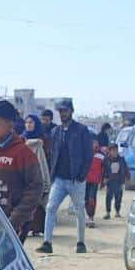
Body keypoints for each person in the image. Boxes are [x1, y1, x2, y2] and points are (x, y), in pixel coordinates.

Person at [0, 100, 44, 241]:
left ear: (10, 125)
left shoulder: (23, 153)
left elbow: (35, 188)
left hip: (14, 224)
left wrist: (15, 220)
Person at [37, 98, 93, 254]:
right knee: (50, 207)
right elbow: (53, 155)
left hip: (76, 179)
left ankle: (80, 243)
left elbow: (89, 155)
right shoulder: (55, 132)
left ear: (71, 111)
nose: (62, 114)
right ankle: (47, 242)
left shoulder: (81, 130)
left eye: (65, 111)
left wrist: (82, 175)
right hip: (60, 179)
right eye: (60, 111)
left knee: (80, 211)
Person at [23, 114, 52, 235]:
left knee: (40, 203)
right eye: (27, 122)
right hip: (25, 174)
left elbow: (47, 158)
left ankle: (38, 229)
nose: (28, 125)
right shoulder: (21, 139)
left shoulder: (43, 140)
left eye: (31, 122)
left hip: (40, 173)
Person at [102, 142, 130, 219]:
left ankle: (117, 212)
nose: (115, 152)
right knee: (109, 197)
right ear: (109, 151)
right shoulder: (106, 160)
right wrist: (103, 180)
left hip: (119, 181)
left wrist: (127, 176)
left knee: (118, 197)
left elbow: (125, 168)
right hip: (110, 181)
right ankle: (108, 212)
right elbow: (103, 170)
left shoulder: (121, 159)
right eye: (113, 150)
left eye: (116, 150)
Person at [84, 135, 106, 227]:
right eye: (92, 142)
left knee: (92, 198)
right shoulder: (84, 154)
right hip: (85, 180)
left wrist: (103, 180)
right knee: (85, 199)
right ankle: (88, 215)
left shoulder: (101, 156)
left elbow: (105, 169)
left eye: (95, 142)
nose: (94, 144)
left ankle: (91, 217)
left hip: (95, 181)